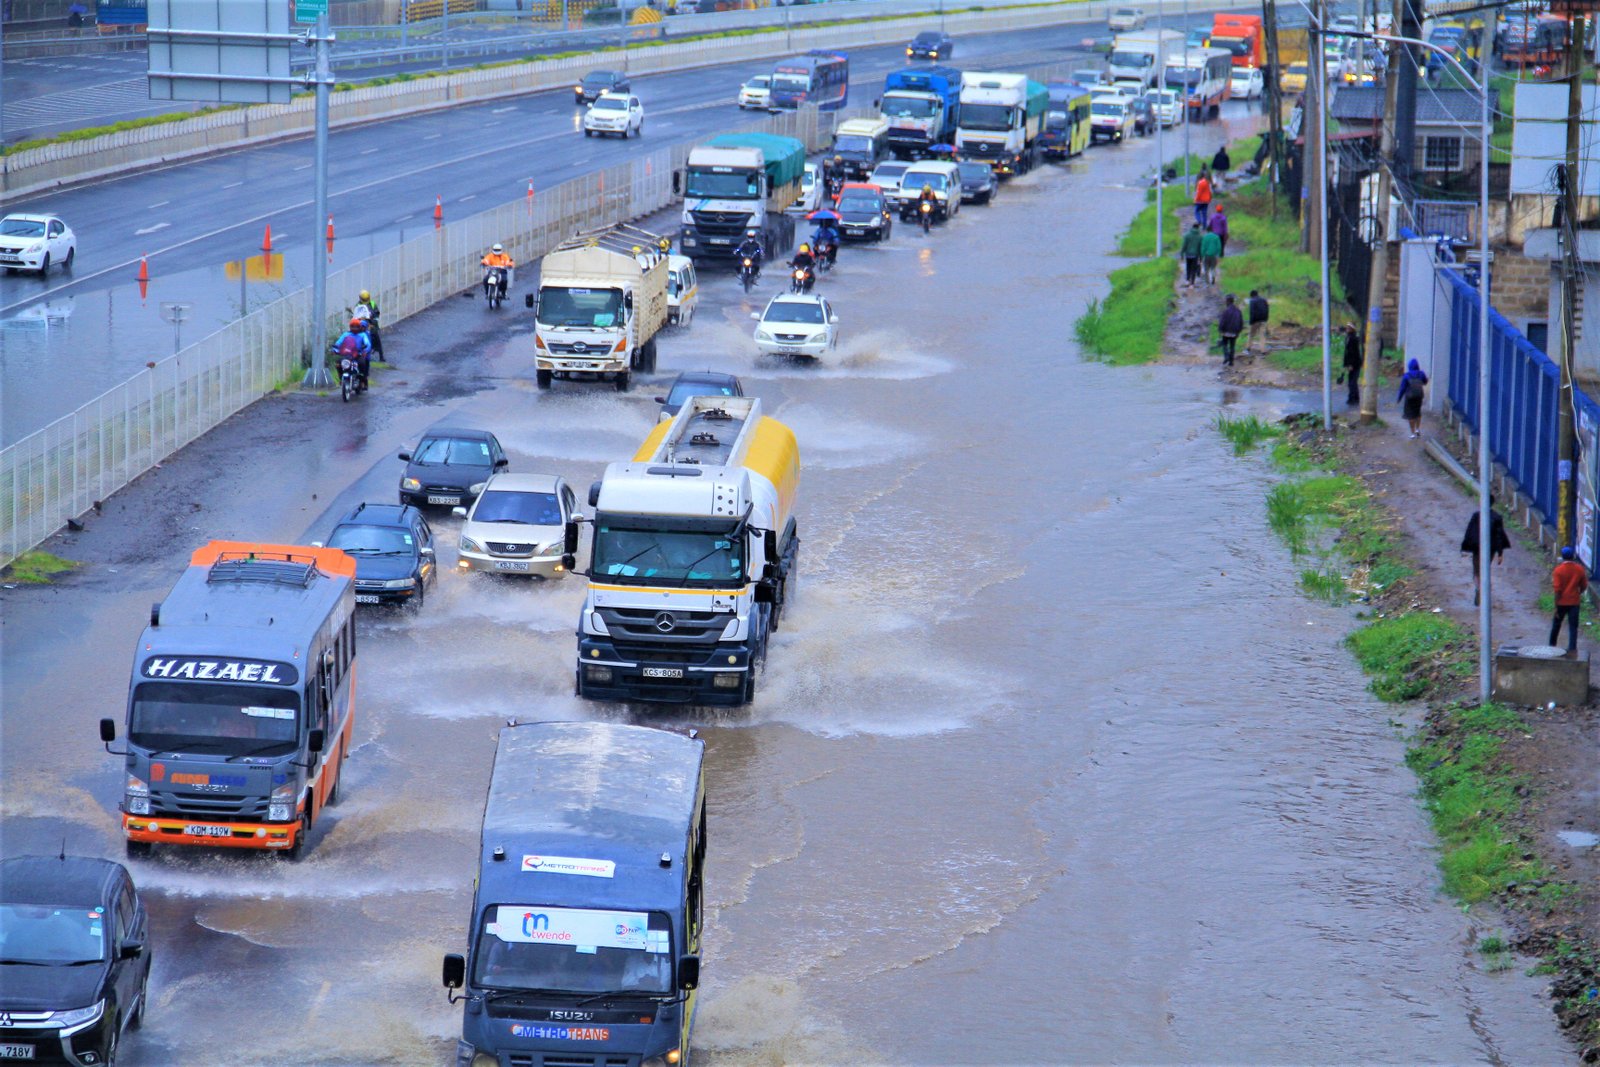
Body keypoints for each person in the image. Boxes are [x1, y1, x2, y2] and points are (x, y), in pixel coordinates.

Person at [1460, 499, 1511, 606]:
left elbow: (1469, 531)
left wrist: (1465, 547)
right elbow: (1499, 536)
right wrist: (1500, 553)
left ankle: (1478, 588)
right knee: (1485, 570)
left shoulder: (1476, 516)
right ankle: (1483, 590)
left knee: (1476, 570)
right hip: (1490, 549)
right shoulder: (1496, 517)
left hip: (1477, 547)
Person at [1550, 545, 1588, 656]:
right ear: (1573, 556)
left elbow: (1557, 590)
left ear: (1562, 557)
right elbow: (1584, 585)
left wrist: (1556, 606)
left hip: (1561, 602)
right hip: (1574, 603)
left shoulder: (1558, 570)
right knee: (1573, 627)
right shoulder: (1579, 569)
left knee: (1556, 625)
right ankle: (1572, 650)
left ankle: (1552, 647)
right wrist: (1577, 593)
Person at [333, 318, 372, 387]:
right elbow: (338, 342)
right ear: (350, 327)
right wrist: (335, 349)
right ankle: (341, 378)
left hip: (358, 354)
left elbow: (367, 344)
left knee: (362, 363)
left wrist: (365, 350)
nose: (354, 328)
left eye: (356, 326)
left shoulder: (362, 335)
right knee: (338, 363)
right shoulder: (346, 334)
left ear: (359, 327)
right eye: (352, 326)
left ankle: (362, 380)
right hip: (347, 354)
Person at [1396, 357, 1428, 438]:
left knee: (1410, 415)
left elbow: (1402, 388)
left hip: (1410, 397)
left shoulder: (1406, 376)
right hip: (1419, 396)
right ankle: (1417, 429)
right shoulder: (1421, 374)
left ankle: (1412, 433)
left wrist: (1399, 398)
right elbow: (1425, 382)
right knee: (1418, 412)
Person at [356, 288, 386, 363]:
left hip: (372, 324)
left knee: (377, 338)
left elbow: (377, 313)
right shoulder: (358, 305)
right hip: (362, 324)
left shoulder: (372, 304)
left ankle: (381, 356)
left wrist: (373, 317)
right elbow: (356, 314)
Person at [1218, 294, 1244, 367]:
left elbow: (1222, 321)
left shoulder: (1226, 311)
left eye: (1226, 301)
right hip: (1234, 332)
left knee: (1225, 345)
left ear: (1228, 301)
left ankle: (1226, 357)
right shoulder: (1238, 311)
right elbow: (1241, 322)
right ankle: (1231, 362)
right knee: (1232, 346)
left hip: (1226, 331)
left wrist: (1220, 329)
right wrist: (1239, 331)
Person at [1341, 323, 1363, 406]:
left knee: (1352, 382)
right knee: (1352, 381)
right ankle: (1355, 398)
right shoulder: (1349, 338)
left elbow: (1353, 353)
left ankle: (1352, 398)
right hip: (1353, 363)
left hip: (1354, 363)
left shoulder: (1353, 339)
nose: (1347, 329)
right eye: (1347, 328)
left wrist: (1350, 364)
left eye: (1349, 328)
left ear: (1352, 329)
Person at [1181, 223, 1203, 288]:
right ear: (1198, 228)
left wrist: (1182, 253)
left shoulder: (1187, 235)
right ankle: (1192, 283)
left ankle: (1187, 280)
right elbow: (1200, 248)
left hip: (1188, 254)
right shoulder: (1200, 237)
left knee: (1188, 267)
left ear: (1192, 227)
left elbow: (1184, 245)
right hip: (1195, 255)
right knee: (1194, 269)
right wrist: (1201, 257)